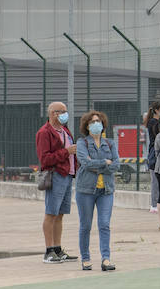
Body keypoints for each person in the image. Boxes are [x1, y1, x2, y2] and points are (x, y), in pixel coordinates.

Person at [74, 110, 118, 271]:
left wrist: (98, 164)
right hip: (85, 190)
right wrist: (105, 163)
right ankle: (85, 258)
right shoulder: (82, 143)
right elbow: (85, 163)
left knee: (104, 224)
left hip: (106, 190)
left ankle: (106, 259)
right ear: (86, 126)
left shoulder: (111, 143)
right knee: (85, 225)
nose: (95, 124)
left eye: (97, 121)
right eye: (92, 122)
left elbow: (116, 164)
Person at [35, 100, 77, 263]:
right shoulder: (44, 133)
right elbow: (45, 159)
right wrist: (65, 152)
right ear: (53, 113)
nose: (66, 114)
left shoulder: (64, 130)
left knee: (60, 214)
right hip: (56, 175)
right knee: (51, 213)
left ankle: (58, 249)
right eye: (62, 111)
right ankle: (48, 251)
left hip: (68, 175)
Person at [144, 100, 160, 213]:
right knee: (155, 181)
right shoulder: (153, 122)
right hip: (155, 154)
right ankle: (154, 204)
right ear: (157, 110)